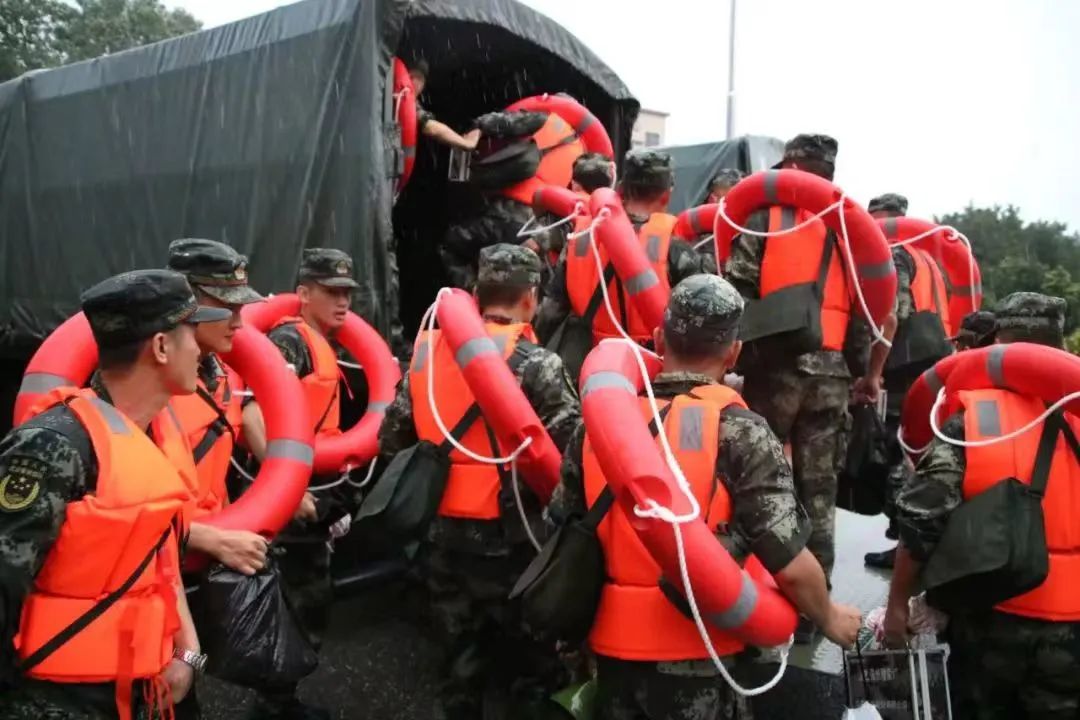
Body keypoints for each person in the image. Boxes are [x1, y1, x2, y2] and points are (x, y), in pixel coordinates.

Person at [549, 274, 862, 720]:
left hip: (611, 657)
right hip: (701, 665)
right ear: (733, 352)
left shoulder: (594, 428)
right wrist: (829, 617)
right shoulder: (741, 432)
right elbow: (790, 564)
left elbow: (559, 522)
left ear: (660, 338)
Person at [0, 270, 228, 719]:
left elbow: (161, 565)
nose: (200, 348)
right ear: (161, 347)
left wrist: (190, 657)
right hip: (60, 703)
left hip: (150, 687)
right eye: (191, 333)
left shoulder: (153, 437)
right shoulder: (53, 446)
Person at [378, 244, 581, 720]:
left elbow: (392, 438)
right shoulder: (537, 365)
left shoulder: (425, 356)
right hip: (513, 538)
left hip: (440, 531)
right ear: (530, 297)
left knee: (458, 655)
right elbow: (572, 457)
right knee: (531, 659)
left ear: (476, 293)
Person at [885, 292, 1077, 719]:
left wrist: (899, 604)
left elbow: (920, 520)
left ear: (998, 341)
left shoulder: (973, 419)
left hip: (992, 618)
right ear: (1061, 342)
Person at [725, 134, 867, 639]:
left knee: (752, 480)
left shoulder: (764, 218)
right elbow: (869, 305)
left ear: (788, 166)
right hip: (831, 375)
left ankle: (738, 593)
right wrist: (859, 369)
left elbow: (736, 289)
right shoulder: (851, 226)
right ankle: (814, 610)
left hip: (775, 367)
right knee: (819, 492)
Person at [257, 248, 363, 720]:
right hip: (291, 501)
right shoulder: (289, 342)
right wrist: (287, 488)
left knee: (307, 604)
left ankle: (279, 699)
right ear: (303, 293)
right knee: (297, 606)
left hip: (317, 491)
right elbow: (253, 414)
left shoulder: (320, 343)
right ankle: (274, 705)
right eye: (331, 292)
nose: (343, 302)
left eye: (347, 293)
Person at [535, 149, 716, 377]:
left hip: (588, 366)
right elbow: (700, 325)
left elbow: (550, 312)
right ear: (666, 194)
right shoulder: (675, 249)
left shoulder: (581, 238)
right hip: (649, 372)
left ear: (621, 188)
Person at [166, 239, 270, 577]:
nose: (238, 323)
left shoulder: (221, 375)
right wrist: (210, 539)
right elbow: (122, 504)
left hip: (212, 558)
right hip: (161, 567)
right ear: (188, 302)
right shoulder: (147, 381)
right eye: (228, 308)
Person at [859, 210, 951, 570]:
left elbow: (890, 316)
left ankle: (906, 549)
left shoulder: (896, 255)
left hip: (906, 373)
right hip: (933, 370)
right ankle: (917, 546)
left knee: (899, 455)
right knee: (923, 452)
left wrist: (873, 372)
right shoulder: (927, 259)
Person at [440, 108, 583, 290]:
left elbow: (503, 122)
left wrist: (477, 127)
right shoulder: (581, 158)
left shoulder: (543, 119)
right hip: (535, 222)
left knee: (451, 245)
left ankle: (474, 289)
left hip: (506, 216)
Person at [408, 59, 482, 152]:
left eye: (420, 79)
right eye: (411, 77)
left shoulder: (412, 102)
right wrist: (467, 143)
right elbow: (430, 127)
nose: (415, 83)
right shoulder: (398, 96)